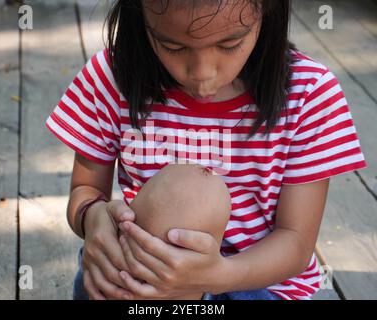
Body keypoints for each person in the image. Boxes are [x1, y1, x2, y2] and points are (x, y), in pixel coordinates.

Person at [45, 0, 368, 300]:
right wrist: (91, 217)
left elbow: (295, 242)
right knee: (185, 191)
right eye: (172, 45)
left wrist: (217, 275)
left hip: (255, 282)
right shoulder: (113, 76)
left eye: (229, 44)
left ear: (268, 13)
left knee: (195, 189)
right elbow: (86, 190)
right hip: (137, 276)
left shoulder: (308, 92)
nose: (202, 74)